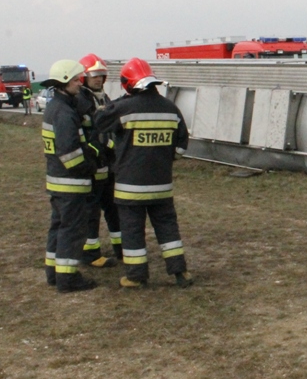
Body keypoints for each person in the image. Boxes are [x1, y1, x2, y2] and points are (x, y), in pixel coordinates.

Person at [97, 58, 193, 289]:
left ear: (128, 84)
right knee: (168, 228)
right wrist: (164, 160)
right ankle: (180, 272)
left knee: (132, 232)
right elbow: (181, 145)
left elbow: (99, 122)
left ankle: (136, 276)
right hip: (161, 185)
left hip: (130, 187)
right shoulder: (171, 108)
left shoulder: (124, 107)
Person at [41, 59, 98, 293]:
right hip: (70, 184)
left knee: (58, 227)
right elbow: (70, 154)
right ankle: (67, 279)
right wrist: (91, 166)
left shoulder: (56, 106)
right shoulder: (64, 112)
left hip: (57, 181)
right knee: (72, 230)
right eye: (76, 79)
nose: (80, 82)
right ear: (64, 82)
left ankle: (53, 273)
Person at [76, 53, 121, 268]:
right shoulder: (82, 100)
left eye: (101, 75)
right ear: (84, 77)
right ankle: (91, 254)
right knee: (91, 211)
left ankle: (121, 248)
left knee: (113, 208)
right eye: (93, 75)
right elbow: (91, 134)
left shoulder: (103, 97)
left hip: (108, 165)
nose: (98, 79)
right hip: (93, 166)